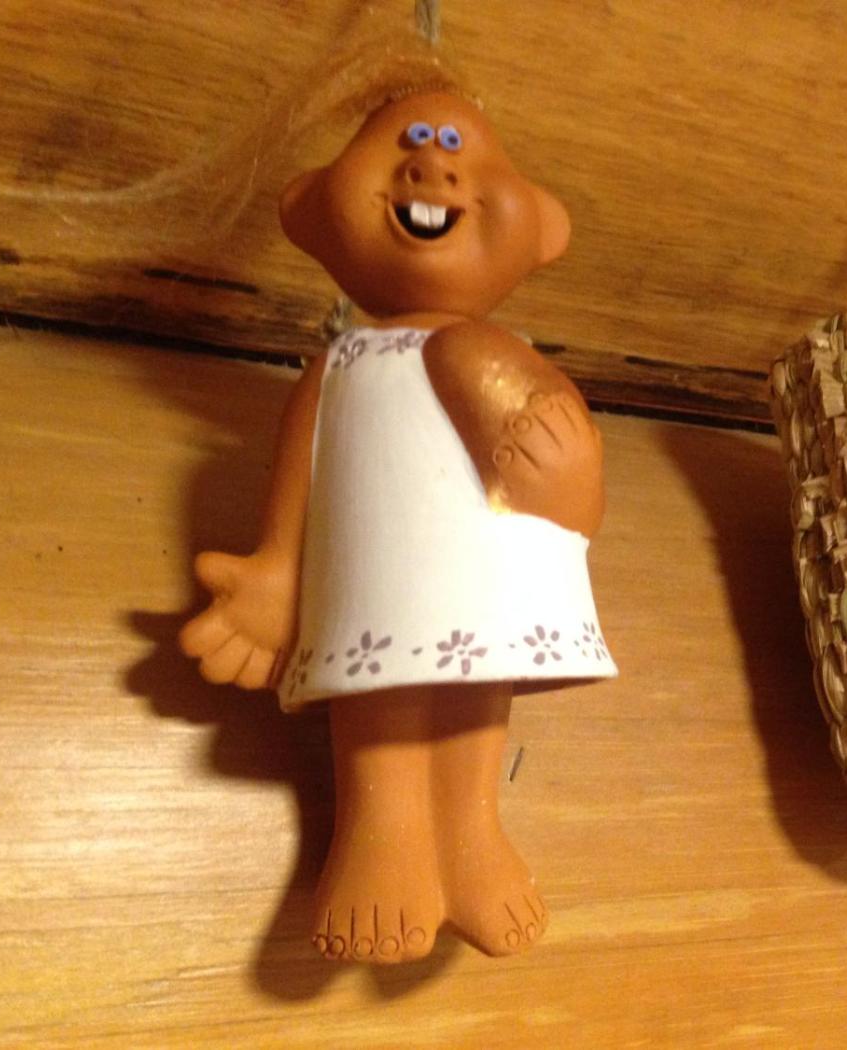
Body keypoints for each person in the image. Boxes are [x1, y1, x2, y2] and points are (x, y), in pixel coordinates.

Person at [180, 72, 615, 962]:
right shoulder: (338, 373)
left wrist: (568, 476)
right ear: (311, 210)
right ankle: (382, 836)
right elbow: (298, 492)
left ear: (540, 228)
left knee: (475, 693)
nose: (432, 166)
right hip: (372, 596)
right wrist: (275, 582)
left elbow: (576, 501)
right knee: (380, 695)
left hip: (486, 587)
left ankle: (473, 834)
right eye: (405, 143)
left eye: (458, 148)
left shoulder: (512, 357)